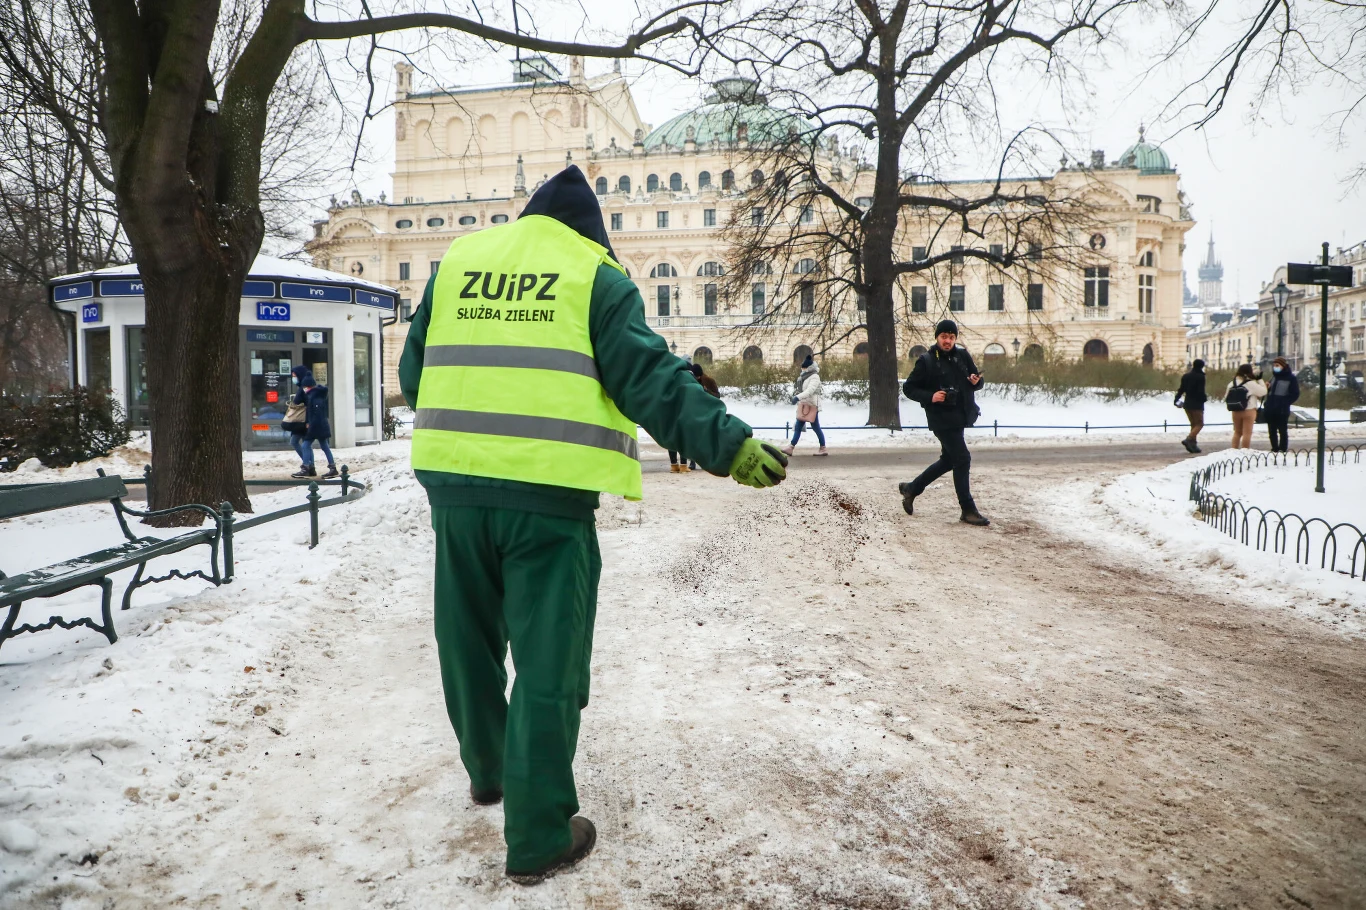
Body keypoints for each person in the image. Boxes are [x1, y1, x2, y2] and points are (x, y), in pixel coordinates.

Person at [398, 165, 788, 884]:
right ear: (592, 230)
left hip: (453, 486)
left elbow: (415, 374)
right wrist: (729, 445)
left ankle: (489, 773)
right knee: (549, 664)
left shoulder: (458, 263)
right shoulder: (595, 277)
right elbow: (651, 378)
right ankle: (540, 833)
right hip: (550, 499)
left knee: (467, 639)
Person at [898, 320, 988, 526]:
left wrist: (977, 381)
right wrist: (931, 396)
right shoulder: (926, 361)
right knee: (963, 458)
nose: (947, 341)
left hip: (960, 416)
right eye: (944, 337)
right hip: (941, 419)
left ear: (955, 338)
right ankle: (968, 509)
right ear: (937, 338)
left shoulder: (962, 356)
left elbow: (976, 382)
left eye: (951, 337)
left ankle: (911, 488)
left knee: (949, 460)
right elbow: (909, 388)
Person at [289, 368, 337, 479]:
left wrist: (309, 425)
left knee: (306, 445)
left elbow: (316, 415)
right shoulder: (315, 396)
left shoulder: (315, 398)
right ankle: (332, 467)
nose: (304, 389)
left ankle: (306, 467)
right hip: (319, 427)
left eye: (305, 387)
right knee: (324, 446)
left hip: (316, 427)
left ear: (309, 387)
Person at [781, 354, 828, 456]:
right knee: (798, 426)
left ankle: (823, 448)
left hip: (812, 406)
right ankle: (791, 447)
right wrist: (798, 397)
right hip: (804, 405)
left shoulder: (815, 377)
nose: (802, 369)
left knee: (816, 427)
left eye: (803, 367)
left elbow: (810, 391)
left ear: (808, 368)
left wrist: (798, 397)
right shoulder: (804, 376)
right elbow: (803, 390)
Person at [1224, 362, 1267, 450]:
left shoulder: (1231, 383)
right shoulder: (1250, 383)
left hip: (1235, 411)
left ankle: (1233, 450)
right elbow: (1263, 392)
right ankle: (1245, 451)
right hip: (1249, 411)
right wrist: (1259, 380)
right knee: (1247, 433)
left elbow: (1226, 397)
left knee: (1237, 432)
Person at [1262, 357, 1300, 453]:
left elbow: (1295, 394)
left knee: (1282, 430)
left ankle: (1283, 449)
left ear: (1283, 366)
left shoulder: (1291, 378)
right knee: (1272, 431)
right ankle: (1274, 448)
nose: (1275, 367)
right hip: (1270, 408)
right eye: (1274, 366)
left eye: (1277, 365)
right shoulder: (1273, 377)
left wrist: (1285, 402)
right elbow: (1269, 392)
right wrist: (1267, 388)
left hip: (1282, 410)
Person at [1175, 359, 1207, 453]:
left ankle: (1193, 445)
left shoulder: (1186, 376)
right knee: (1199, 424)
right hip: (1197, 404)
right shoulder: (1201, 377)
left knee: (1193, 424)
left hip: (1187, 403)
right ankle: (1189, 439)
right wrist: (1204, 398)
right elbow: (1201, 391)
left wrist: (1177, 398)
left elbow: (1181, 389)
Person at [282, 366, 310, 472]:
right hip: (302, 421)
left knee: (297, 442)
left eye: (294, 376)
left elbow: (298, 401)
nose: (293, 378)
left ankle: (308, 464)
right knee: (303, 443)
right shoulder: (302, 387)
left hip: (301, 420)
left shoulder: (303, 388)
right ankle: (308, 465)